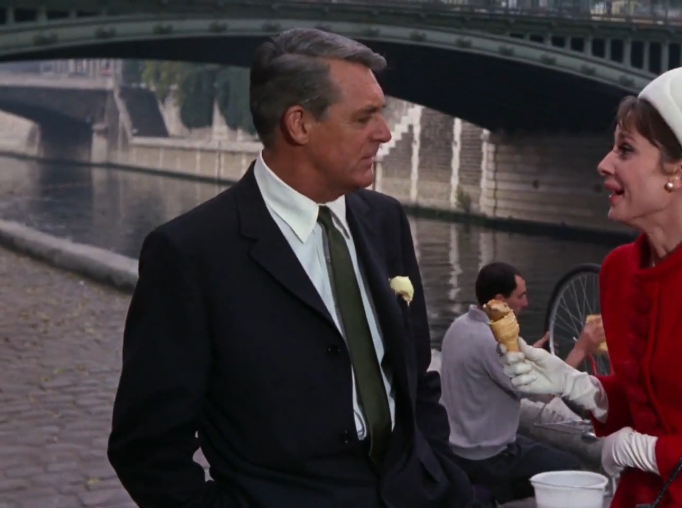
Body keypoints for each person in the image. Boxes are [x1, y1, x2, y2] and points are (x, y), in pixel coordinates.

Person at [107, 28, 472, 508]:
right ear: (299, 125)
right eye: (365, 117)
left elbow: (415, 374)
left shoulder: (385, 221)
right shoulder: (189, 254)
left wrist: (438, 471)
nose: (384, 132)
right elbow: (147, 449)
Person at [498, 66, 682, 508]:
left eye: (625, 150)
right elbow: (642, 404)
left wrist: (641, 450)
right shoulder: (619, 270)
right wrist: (577, 386)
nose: (604, 164)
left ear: (679, 173)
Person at [438, 262, 590, 505]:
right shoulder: (493, 342)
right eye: (521, 296)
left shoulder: (460, 326)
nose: (526, 303)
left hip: (456, 449)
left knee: (534, 451)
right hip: (487, 458)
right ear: (500, 299)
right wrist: (581, 350)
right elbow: (547, 391)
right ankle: (488, 492)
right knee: (568, 467)